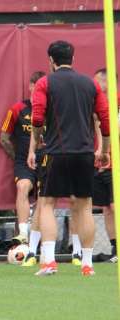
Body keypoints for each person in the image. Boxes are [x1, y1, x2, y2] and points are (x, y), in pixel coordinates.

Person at [29, 40, 110, 276]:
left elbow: (37, 117)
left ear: (51, 61)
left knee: (48, 204)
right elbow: (104, 120)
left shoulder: (45, 83)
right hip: (84, 153)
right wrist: (104, 150)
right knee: (84, 206)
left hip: (56, 153)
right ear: (73, 59)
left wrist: (37, 138)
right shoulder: (90, 84)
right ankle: (87, 264)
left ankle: (50, 261)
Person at [0, 71, 45, 266]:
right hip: (23, 162)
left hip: (47, 160)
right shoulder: (18, 109)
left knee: (45, 200)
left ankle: (42, 246)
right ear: (31, 86)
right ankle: (23, 233)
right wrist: (18, 156)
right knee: (23, 187)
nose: (39, 90)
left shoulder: (52, 109)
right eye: (36, 86)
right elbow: (4, 137)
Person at [92, 68, 117, 263]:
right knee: (106, 208)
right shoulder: (95, 103)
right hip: (101, 161)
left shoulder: (115, 101)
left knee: (114, 206)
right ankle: (114, 249)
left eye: (97, 81)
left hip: (114, 162)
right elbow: (99, 129)